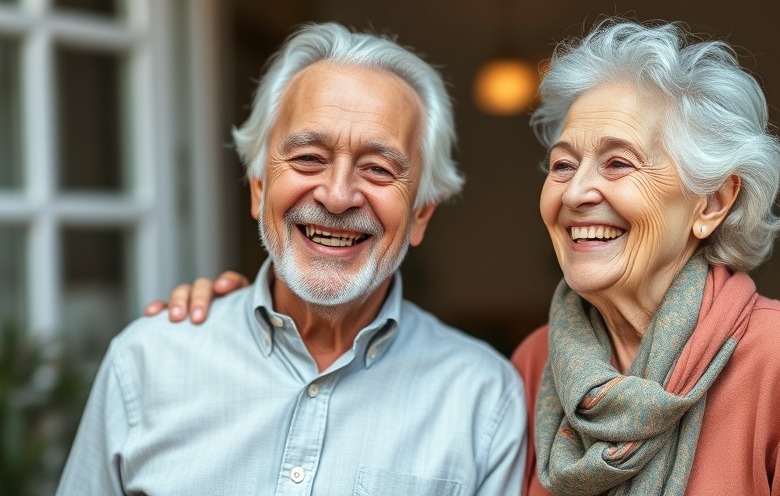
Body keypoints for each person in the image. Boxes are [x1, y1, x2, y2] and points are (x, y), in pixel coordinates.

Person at [149, 19, 780, 496]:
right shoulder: (534, 367)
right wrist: (245, 314)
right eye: (562, 165)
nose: (576, 192)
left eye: (618, 164)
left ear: (712, 202)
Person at [57, 22, 526, 495]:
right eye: (307, 158)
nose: (338, 196)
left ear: (421, 213)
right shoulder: (146, 361)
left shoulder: (483, 400)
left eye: (378, 169)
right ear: (259, 187)